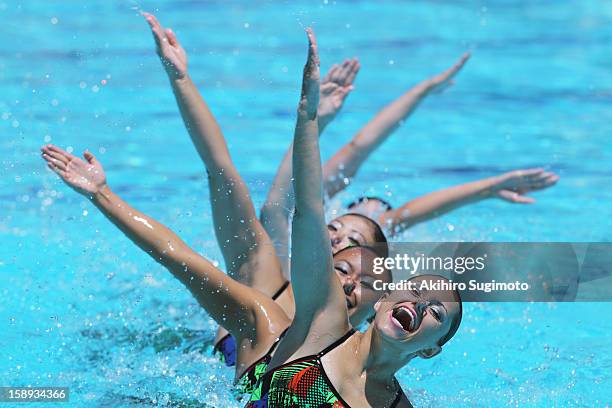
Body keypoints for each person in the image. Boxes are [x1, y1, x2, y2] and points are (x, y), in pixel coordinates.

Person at [40, 24, 391, 401]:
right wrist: (181, 78)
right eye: (336, 240)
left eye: (356, 250)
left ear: (379, 306)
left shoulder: (373, 383)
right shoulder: (265, 307)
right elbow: (216, 186)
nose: (340, 250)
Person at [140, 12, 391, 369]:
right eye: (333, 230)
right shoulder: (264, 280)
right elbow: (223, 173)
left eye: (351, 241)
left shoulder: (365, 359)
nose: (336, 241)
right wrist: (180, 77)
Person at [243, 30, 461, 406]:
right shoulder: (323, 323)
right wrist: (308, 119)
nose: (421, 303)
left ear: (430, 350)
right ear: (382, 300)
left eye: (436, 312)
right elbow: (307, 212)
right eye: (415, 290)